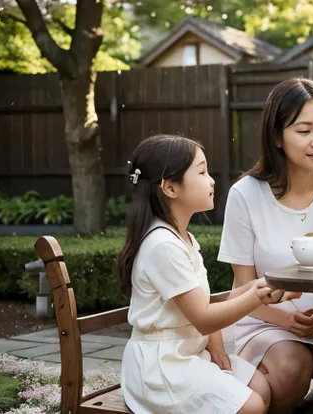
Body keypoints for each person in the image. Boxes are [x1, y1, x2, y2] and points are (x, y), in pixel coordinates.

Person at [217, 78, 313, 413]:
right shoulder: (246, 195)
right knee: (290, 370)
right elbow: (242, 290)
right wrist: (285, 322)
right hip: (265, 323)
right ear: (276, 137)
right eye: (304, 131)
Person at [117, 134, 299, 414]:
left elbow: (204, 303)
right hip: (162, 367)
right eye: (201, 172)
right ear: (170, 188)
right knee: (251, 406)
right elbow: (203, 318)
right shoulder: (162, 245)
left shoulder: (182, 238)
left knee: (261, 388)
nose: (211, 180)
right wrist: (258, 297)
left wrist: (261, 287)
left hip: (189, 352)